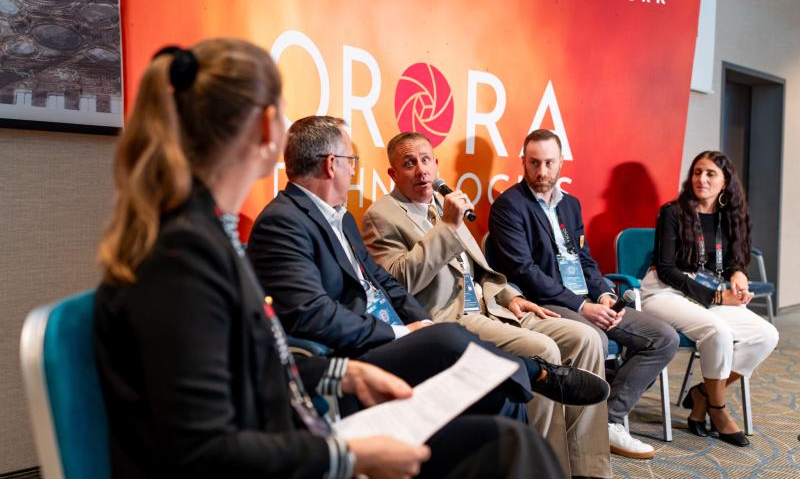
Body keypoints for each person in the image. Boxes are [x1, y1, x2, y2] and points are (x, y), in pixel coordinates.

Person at [94, 39, 563, 479]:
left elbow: (256, 363)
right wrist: (351, 456)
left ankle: (527, 374)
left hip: (301, 422)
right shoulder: (185, 257)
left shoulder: (205, 234)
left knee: (508, 439)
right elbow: (204, 452)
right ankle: (536, 373)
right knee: (505, 444)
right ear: (266, 128)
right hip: (298, 449)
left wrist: (344, 373)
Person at [246, 116, 608, 424]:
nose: (353, 169)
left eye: (426, 161)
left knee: (506, 400)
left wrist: (418, 322)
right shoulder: (284, 222)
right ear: (330, 164)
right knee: (448, 337)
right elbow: (313, 315)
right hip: (354, 352)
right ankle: (538, 372)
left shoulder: (341, 218)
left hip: (412, 324)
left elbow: (383, 282)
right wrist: (397, 332)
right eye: (351, 159)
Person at [361, 131, 611, 478]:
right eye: (409, 163)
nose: (421, 171)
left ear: (436, 164)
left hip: (493, 307)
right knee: (544, 350)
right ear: (392, 174)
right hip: (450, 320)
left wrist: (513, 296)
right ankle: (542, 466)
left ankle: (588, 468)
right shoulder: (383, 216)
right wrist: (448, 226)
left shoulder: (442, 203)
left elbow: (478, 269)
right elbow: (399, 282)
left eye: (425, 160)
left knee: (585, 339)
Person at [489, 129, 680, 460]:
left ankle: (609, 418)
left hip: (588, 300)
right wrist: (581, 305)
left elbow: (584, 259)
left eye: (549, 163)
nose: (542, 172)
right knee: (595, 338)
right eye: (534, 163)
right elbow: (524, 271)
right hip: (548, 303)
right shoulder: (510, 206)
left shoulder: (571, 205)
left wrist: (603, 294)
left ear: (562, 162)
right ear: (523, 161)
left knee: (664, 338)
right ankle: (596, 424)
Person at [640, 150, 779, 447]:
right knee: (717, 331)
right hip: (665, 291)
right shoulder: (673, 212)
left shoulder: (731, 216)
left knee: (766, 334)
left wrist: (738, 276)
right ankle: (717, 409)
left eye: (710, 174)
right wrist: (716, 296)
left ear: (725, 181)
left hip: (708, 293)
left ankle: (703, 393)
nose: (701, 179)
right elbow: (666, 270)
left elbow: (734, 262)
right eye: (697, 172)